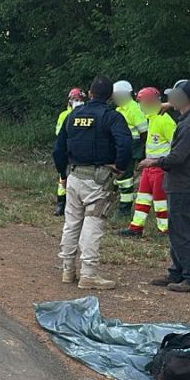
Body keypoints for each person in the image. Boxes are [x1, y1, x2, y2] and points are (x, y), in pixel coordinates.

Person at [53, 76, 134, 290]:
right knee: (93, 222)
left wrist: (63, 173)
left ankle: (67, 269)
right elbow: (125, 144)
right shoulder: (111, 117)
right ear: (110, 97)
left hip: (74, 176)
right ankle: (88, 273)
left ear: (89, 94)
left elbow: (58, 149)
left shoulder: (73, 116)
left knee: (71, 222)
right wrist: (120, 166)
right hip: (97, 180)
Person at [139, 79, 190, 293]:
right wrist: (170, 105)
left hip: (185, 185)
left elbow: (177, 158)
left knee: (181, 232)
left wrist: (153, 162)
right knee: (177, 229)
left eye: (173, 96)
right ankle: (177, 272)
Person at [120, 86, 178, 237]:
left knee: (160, 201)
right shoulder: (151, 119)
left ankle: (164, 230)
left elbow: (176, 146)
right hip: (149, 168)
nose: (140, 106)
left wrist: (162, 163)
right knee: (142, 197)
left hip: (160, 168)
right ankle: (136, 228)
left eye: (142, 102)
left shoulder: (164, 120)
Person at [111, 80, 149, 218]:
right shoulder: (119, 109)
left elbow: (144, 132)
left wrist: (144, 153)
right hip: (120, 147)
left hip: (132, 147)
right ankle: (116, 202)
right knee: (118, 178)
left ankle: (124, 210)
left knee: (125, 178)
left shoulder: (134, 109)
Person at [53, 87, 86, 216]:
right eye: (75, 99)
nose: (77, 102)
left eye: (80, 99)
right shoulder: (64, 115)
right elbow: (59, 133)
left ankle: (74, 204)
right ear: (69, 101)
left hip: (77, 150)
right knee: (63, 177)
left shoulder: (85, 113)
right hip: (65, 149)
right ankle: (60, 203)